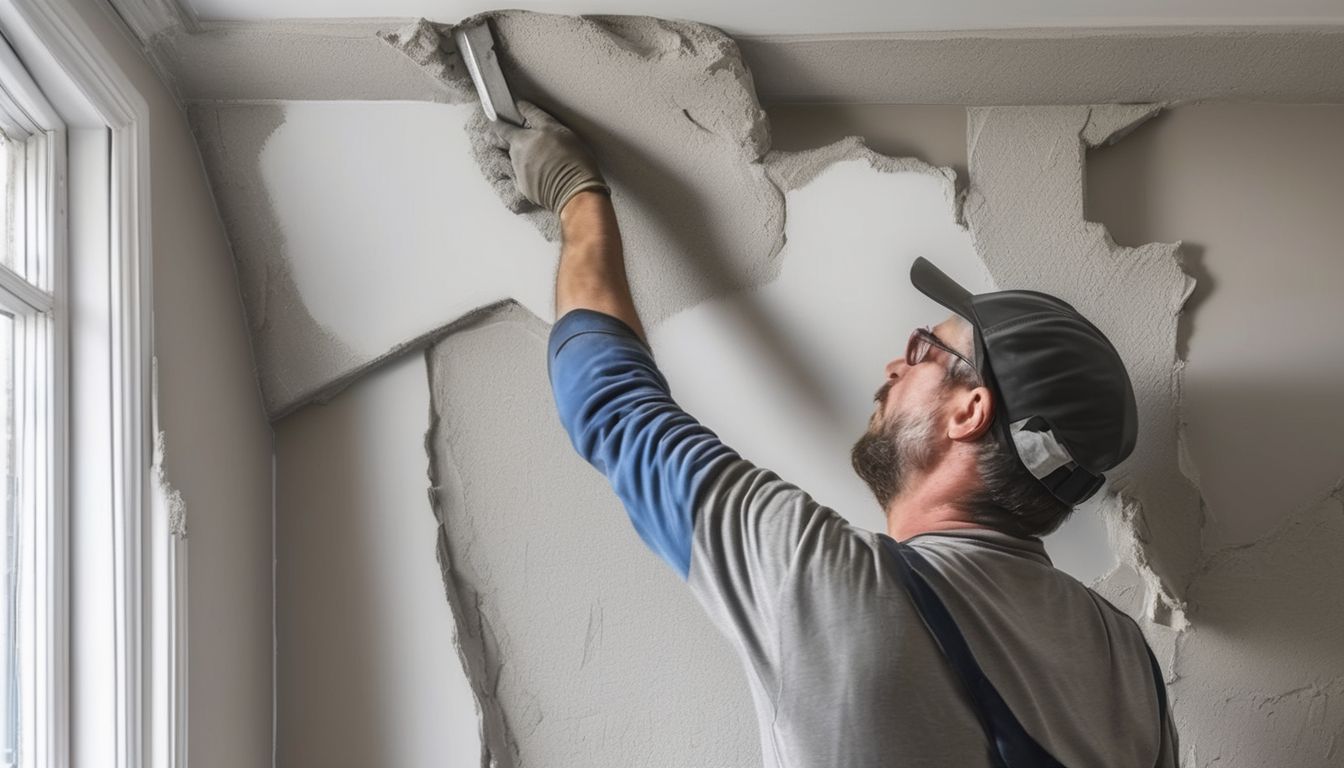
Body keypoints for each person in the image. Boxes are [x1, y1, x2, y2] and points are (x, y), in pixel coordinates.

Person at [490, 100, 1180, 767]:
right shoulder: (1132, 669)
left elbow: (610, 402)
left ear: (969, 411)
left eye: (921, 352)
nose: (891, 366)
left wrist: (573, 193)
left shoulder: (827, 578)